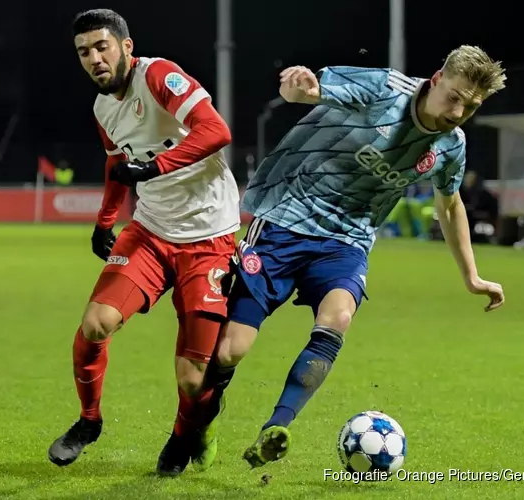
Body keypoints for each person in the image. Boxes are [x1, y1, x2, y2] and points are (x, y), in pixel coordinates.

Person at [193, 45, 507, 469]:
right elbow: (307, 92)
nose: (457, 112)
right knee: (231, 350)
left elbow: (450, 206)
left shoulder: (450, 145)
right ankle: (203, 421)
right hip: (286, 218)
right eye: (453, 97)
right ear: (436, 79)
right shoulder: (383, 88)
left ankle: (276, 426)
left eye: (470, 107)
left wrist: (472, 276)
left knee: (338, 317)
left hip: (347, 241)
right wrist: (296, 88)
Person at [47, 9, 241, 477]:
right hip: (150, 233)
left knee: (193, 379)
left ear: (126, 47)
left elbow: (217, 131)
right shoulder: (102, 108)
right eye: (84, 52)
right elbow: (118, 163)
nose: (94, 58)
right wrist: (104, 220)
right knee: (96, 323)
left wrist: (156, 167)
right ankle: (89, 422)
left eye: (101, 46)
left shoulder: (158, 75)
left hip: (209, 238)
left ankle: (183, 435)